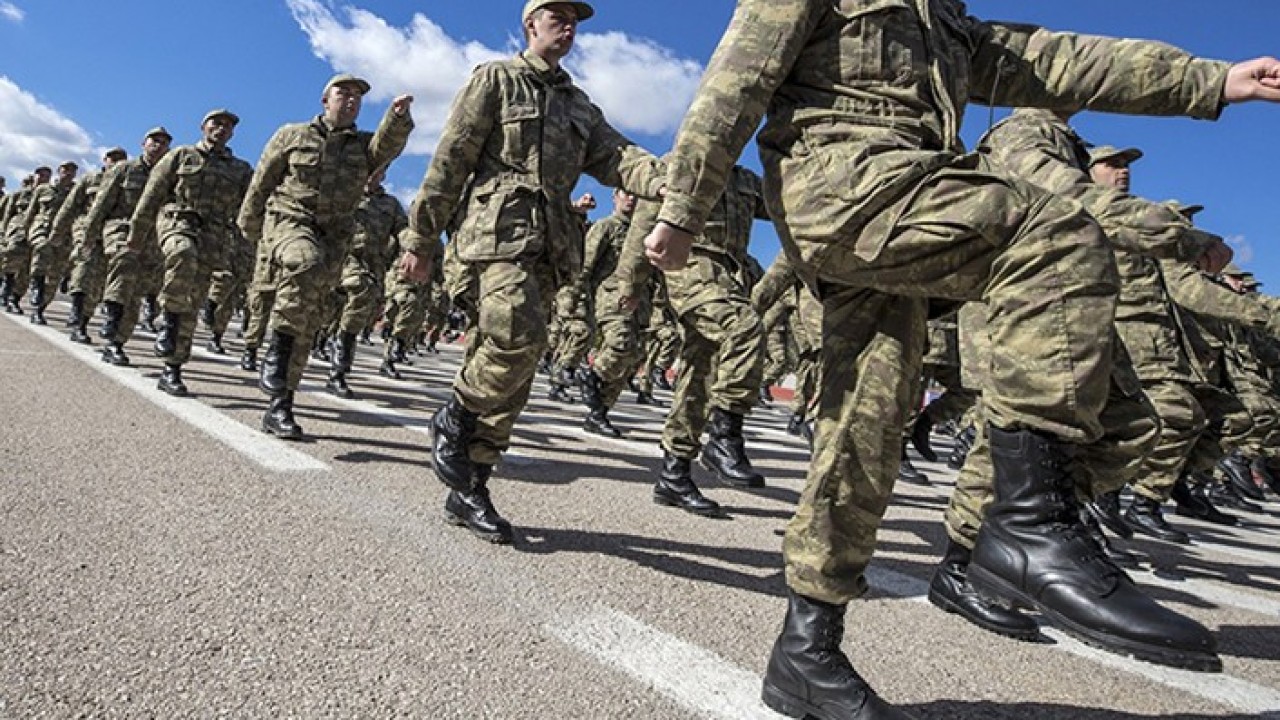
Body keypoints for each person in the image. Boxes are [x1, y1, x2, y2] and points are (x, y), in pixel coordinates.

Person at [642, 3, 1280, 716]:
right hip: (842, 183)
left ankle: (806, 650)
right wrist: (684, 207)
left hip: (907, 194)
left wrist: (1216, 80)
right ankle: (1025, 527)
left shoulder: (946, 21)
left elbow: (1058, 58)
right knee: (1057, 235)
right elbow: (737, 80)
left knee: (865, 429)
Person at [399, 0, 663, 544]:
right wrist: (421, 239)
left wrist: (667, 177)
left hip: (549, 248)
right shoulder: (496, 80)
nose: (568, 27)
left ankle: (470, 486)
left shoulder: (579, 106)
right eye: (557, 17)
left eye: (575, 22)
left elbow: (619, 157)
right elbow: (450, 159)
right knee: (519, 335)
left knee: (513, 372)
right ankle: (455, 414)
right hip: (495, 234)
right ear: (530, 24)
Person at [238, 73, 413, 439]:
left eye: (357, 96)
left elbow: (387, 147)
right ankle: (275, 350)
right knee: (305, 262)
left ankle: (280, 405)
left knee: (309, 319)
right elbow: (262, 181)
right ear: (325, 99)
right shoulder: (292, 135)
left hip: (333, 237)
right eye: (343, 93)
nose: (350, 100)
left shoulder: (363, 146)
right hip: (290, 220)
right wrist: (250, 230)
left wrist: (396, 118)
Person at [128, 109, 253, 396]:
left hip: (213, 237)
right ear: (203, 126)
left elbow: (249, 208)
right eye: (216, 123)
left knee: (193, 301)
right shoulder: (182, 155)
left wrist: (245, 248)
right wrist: (136, 234)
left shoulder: (241, 169)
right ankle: (168, 321)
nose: (221, 129)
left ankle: (172, 367)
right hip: (178, 221)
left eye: (227, 126)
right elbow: (152, 194)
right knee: (182, 254)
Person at [85, 127, 173, 366]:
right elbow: (101, 203)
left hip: (151, 236)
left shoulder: (170, 175)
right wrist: (89, 236)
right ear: (143, 143)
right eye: (154, 140)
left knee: (136, 291)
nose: (158, 145)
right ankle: (111, 314)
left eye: (164, 142)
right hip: (121, 227)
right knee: (125, 259)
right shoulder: (124, 169)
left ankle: (116, 343)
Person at [56, 147, 128, 343]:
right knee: (85, 264)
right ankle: (76, 312)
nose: (116, 162)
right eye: (112, 158)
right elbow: (70, 205)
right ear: (104, 160)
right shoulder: (90, 179)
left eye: (120, 158)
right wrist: (58, 230)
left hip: (111, 230)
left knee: (98, 282)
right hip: (85, 226)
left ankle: (83, 322)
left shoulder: (126, 180)